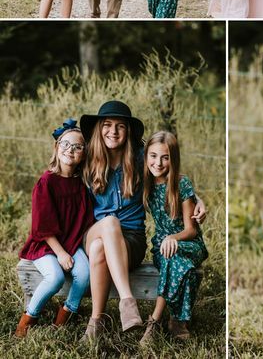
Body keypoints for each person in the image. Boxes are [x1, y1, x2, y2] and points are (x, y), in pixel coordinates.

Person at [79, 101, 206, 342]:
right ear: (99, 129)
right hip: (96, 231)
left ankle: (96, 322)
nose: (113, 131)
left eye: (120, 126)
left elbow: (169, 175)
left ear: (128, 132)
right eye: (107, 125)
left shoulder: (139, 158)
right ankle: (128, 302)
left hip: (131, 241)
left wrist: (197, 199)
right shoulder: (87, 158)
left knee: (100, 248)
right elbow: (59, 172)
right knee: (108, 223)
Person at [16, 119, 94, 336]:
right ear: (57, 147)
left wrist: (76, 250)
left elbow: (86, 219)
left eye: (78, 146)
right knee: (55, 278)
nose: (71, 149)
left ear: (83, 155)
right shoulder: (46, 182)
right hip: (46, 244)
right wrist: (60, 253)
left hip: (72, 242)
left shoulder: (81, 184)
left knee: (84, 273)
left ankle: (66, 315)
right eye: (66, 144)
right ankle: (28, 320)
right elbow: (43, 225)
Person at [141, 130, 208, 344]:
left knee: (174, 255)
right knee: (180, 265)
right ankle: (177, 321)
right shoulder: (146, 183)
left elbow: (192, 230)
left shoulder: (181, 184)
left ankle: (154, 321)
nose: (158, 163)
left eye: (165, 157)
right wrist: (167, 241)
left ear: (173, 159)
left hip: (188, 243)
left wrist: (173, 238)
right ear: (146, 156)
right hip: (161, 245)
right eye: (153, 156)